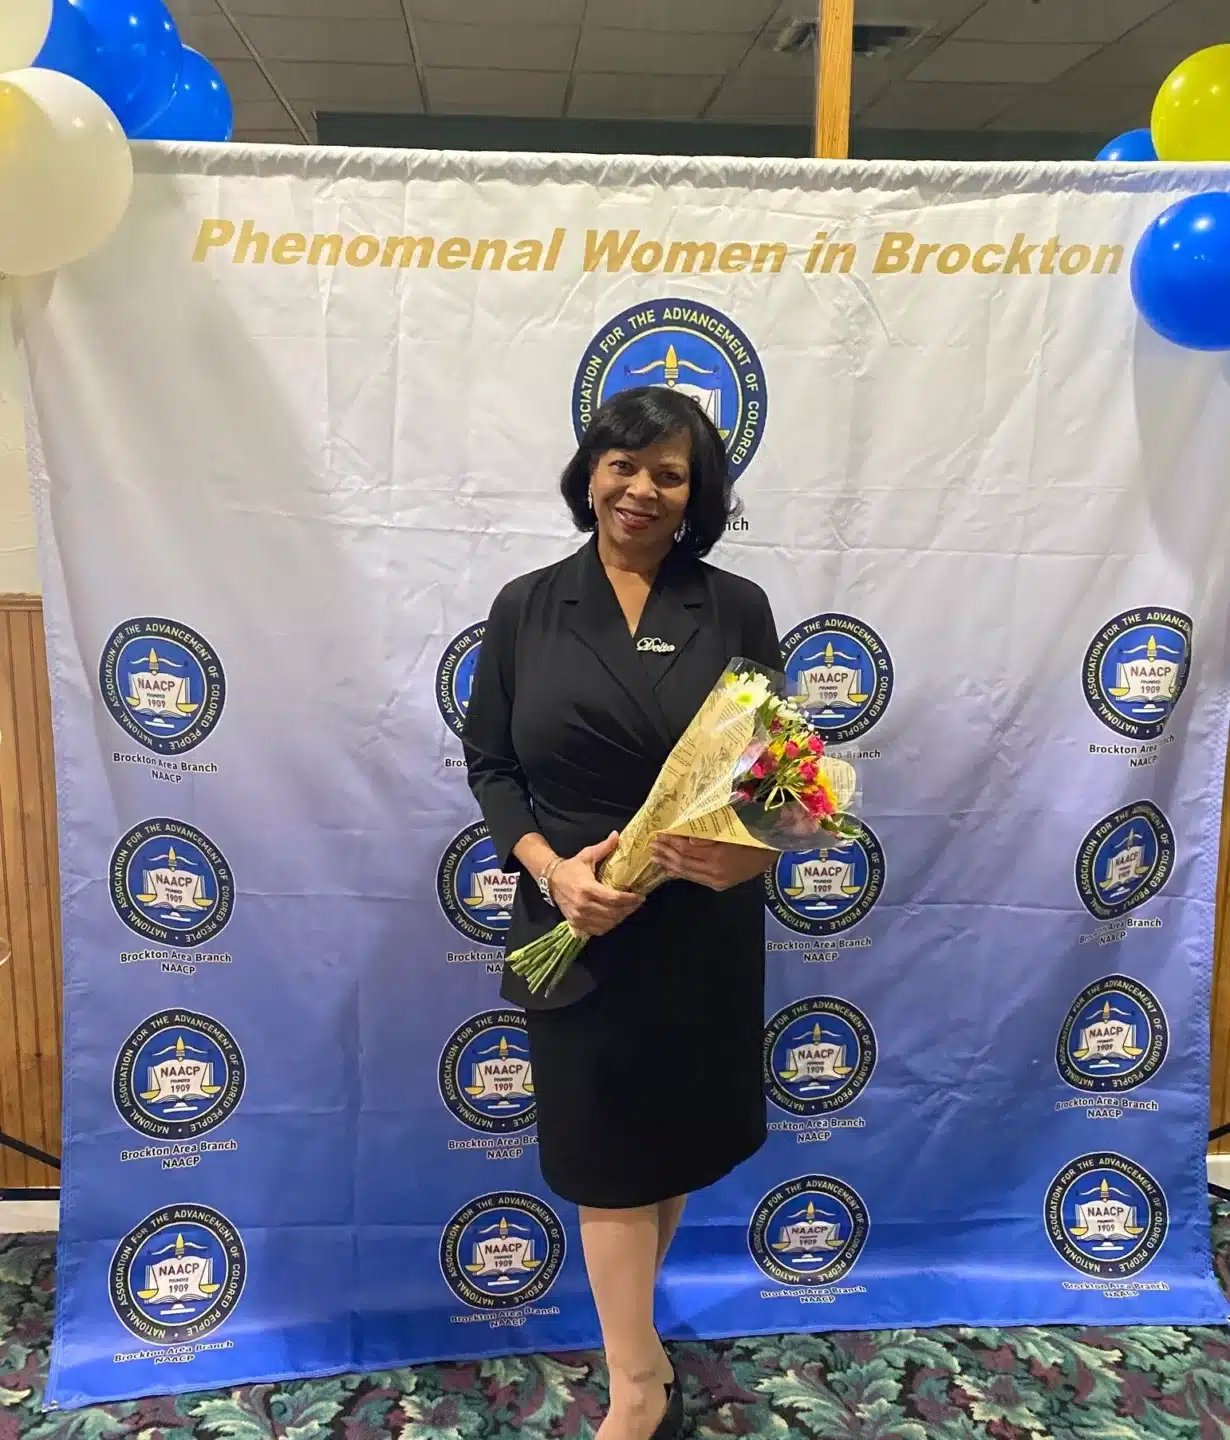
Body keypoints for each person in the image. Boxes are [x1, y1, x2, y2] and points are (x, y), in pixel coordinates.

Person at [462, 386, 782, 1440]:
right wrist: (551, 871)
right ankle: (638, 1379)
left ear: (698, 493)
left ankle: (637, 1350)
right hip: (578, 927)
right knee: (604, 1162)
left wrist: (744, 857)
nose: (642, 489)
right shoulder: (525, 606)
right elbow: (493, 764)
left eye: (669, 474)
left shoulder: (736, 607)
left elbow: (772, 777)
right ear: (591, 472)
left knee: (666, 1152)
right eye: (623, 464)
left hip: (698, 931)